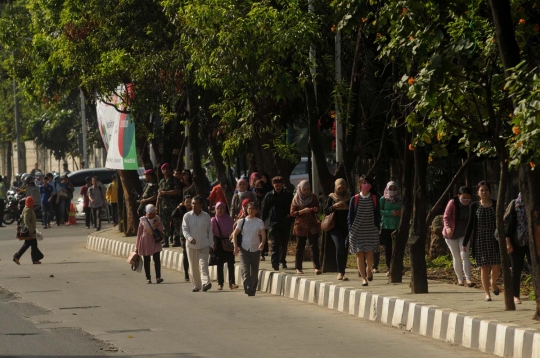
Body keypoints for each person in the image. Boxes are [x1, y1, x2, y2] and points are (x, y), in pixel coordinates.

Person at [463, 181, 501, 302]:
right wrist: (465, 242)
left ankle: (493, 282)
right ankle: (487, 293)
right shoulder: (474, 206)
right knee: (484, 267)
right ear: (478, 193)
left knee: (496, 266)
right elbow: (470, 225)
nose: (484, 192)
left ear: (490, 192)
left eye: (486, 190)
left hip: (494, 238)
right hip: (480, 239)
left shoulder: (495, 204)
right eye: (482, 190)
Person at [348, 176, 381, 287]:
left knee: (370, 256)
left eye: (368, 183)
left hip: (370, 230)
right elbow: (350, 216)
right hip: (357, 231)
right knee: (360, 255)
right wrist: (350, 228)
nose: (366, 185)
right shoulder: (355, 199)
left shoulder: (374, 198)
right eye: (364, 183)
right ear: (360, 185)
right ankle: (363, 279)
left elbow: (377, 215)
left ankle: (369, 269)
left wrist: (377, 228)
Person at [232, 202, 267, 296]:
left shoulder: (259, 222)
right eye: (249, 209)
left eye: (252, 209)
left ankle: (253, 288)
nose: (250, 210)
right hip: (244, 249)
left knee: (254, 272)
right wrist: (235, 247)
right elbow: (235, 235)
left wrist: (262, 243)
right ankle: (247, 287)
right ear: (246, 210)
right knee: (246, 270)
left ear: (256, 211)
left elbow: (263, 235)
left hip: (255, 249)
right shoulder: (242, 221)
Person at [443, 186, 475, 287]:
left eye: (468, 198)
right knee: (456, 257)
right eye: (463, 197)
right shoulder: (452, 203)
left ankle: (468, 279)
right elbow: (446, 217)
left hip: (464, 234)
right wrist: (447, 227)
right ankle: (460, 279)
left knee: (464, 255)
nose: (465, 200)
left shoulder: (471, 205)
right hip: (451, 234)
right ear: (458, 195)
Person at [504, 193, 532, 304]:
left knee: (533, 268)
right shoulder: (514, 204)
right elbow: (507, 225)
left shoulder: (534, 203)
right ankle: (515, 295)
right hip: (515, 241)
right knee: (516, 269)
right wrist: (508, 242)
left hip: (531, 242)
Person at [182, 196, 213, 292]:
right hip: (191, 246)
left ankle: (205, 283)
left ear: (201, 205)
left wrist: (211, 243)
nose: (194, 205)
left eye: (196, 204)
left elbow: (210, 231)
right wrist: (189, 238)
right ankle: (197, 286)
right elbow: (185, 229)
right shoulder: (187, 216)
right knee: (193, 267)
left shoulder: (206, 216)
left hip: (204, 245)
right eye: (193, 203)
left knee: (203, 265)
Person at [262, 176, 294, 271]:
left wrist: (291, 216)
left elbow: (293, 206)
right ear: (273, 185)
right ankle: (274, 262)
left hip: (285, 222)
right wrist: (261, 222)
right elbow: (265, 210)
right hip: (273, 222)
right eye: (277, 185)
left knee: (284, 242)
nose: (278, 187)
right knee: (275, 243)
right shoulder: (269, 195)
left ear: (282, 185)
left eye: (280, 185)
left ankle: (282, 261)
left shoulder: (287, 194)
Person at [290, 180, 321, 275]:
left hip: (312, 225)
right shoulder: (296, 198)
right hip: (301, 225)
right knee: (300, 247)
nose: (307, 191)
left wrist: (316, 209)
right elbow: (292, 213)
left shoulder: (313, 197)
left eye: (308, 189)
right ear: (300, 189)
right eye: (305, 190)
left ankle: (317, 267)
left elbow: (318, 207)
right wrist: (302, 211)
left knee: (314, 246)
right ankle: (298, 268)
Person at [324, 178, 351, 281]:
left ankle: (343, 271)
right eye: (339, 188)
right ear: (336, 188)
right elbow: (325, 210)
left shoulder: (349, 197)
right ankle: (340, 272)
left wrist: (347, 206)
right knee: (339, 247)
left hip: (347, 227)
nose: (341, 190)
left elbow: (354, 210)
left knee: (345, 248)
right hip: (335, 227)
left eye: (343, 187)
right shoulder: (331, 197)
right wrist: (334, 206)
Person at [374, 181, 402, 275]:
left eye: (394, 189)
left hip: (397, 225)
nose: (393, 191)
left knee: (397, 247)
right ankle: (389, 266)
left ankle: (398, 266)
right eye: (391, 189)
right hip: (386, 226)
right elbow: (379, 211)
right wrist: (390, 213)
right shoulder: (383, 199)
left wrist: (400, 213)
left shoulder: (400, 199)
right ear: (387, 189)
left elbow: (404, 210)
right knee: (388, 247)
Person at [211, 202, 238, 290]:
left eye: (222, 208)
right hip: (218, 242)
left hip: (228, 242)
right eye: (218, 208)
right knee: (219, 263)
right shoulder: (213, 220)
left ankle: (232, 283)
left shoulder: (229, 219)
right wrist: (212, 243)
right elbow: (210, 232)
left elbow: (234, 231)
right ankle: (220, 283)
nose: (220, 210)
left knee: (231, 263)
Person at [135, 204, 164, 284]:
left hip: (156, 241)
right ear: (147, 212)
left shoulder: (158, 219)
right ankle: (148, 278)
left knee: (157, 260)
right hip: (145, 242)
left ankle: (158, 277)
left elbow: (162, 230)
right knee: (146, 260)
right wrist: (136, 247)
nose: (152, 215)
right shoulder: (142, 220)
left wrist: (157, 225)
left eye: (154, 213)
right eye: (150, 213)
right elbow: (139, 233)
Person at [13, 197, 44, 265]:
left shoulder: (28, 208)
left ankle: (34, 259)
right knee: (29, 244)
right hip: (29, 231)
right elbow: (26, 221)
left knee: (32, 244)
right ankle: (17, 256)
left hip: (31, 230)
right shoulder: (28, 209)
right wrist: (31, 230)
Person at [158, 163, 181, 247]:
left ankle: (176, 240)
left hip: (173, 205)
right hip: (164, 205)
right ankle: (166, 240)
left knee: (176, 223)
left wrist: (165, 192)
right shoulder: (161, 181)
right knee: (165, 224)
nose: (166, 171)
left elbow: (176, 191)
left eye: (168, 169)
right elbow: (159, 194)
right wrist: (157, 206)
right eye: (164, 169)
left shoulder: (174, 180)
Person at [175, 195, 193, 281]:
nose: (189, 204)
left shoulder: (195, 211)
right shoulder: (181, 210)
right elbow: (173, 215)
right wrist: (178, 207)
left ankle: (194, 272)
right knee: (185, 253)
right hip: (183, 235)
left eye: (190, 202)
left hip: (194, 234)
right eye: (187, 202)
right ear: (184, 203)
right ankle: (186, 273)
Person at [253, 179, 269, 260]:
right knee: (257, 235)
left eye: (260, 186)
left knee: (263, 234)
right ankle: (259, 252)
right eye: (257, 186)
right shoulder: (253, 195)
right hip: (256, 217)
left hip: (265, 217)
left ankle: (263, 252)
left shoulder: (267, 195)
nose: (259, 188)